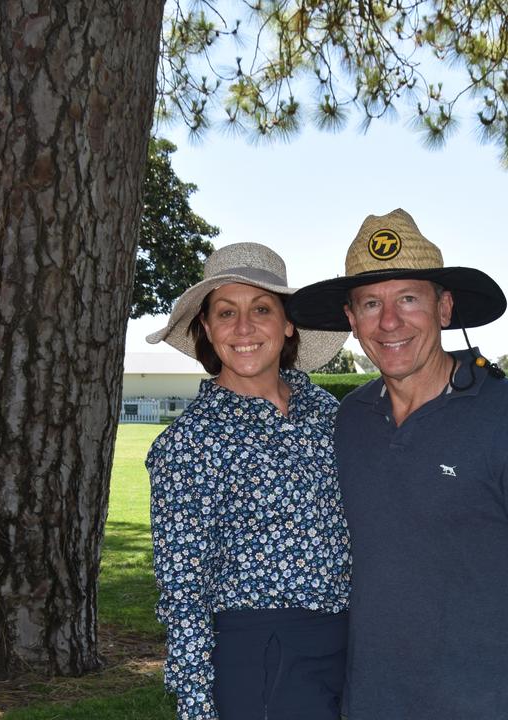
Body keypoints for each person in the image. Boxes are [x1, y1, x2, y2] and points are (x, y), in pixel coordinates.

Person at [287, 209, 508, 720]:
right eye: (370, 304)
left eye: (408, 299)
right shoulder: (349, 421)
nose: (389, 322)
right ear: (351, 320)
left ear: (444, 308)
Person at [145, 242, 352, 720]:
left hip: (351, 649)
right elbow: (183, 593)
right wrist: (197, 706)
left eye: (261, 308)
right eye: (225, 313)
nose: (243, 328)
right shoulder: (188, 444)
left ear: (288, 322)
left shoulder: (332, 417)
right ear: (206, 328)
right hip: (258, 659)